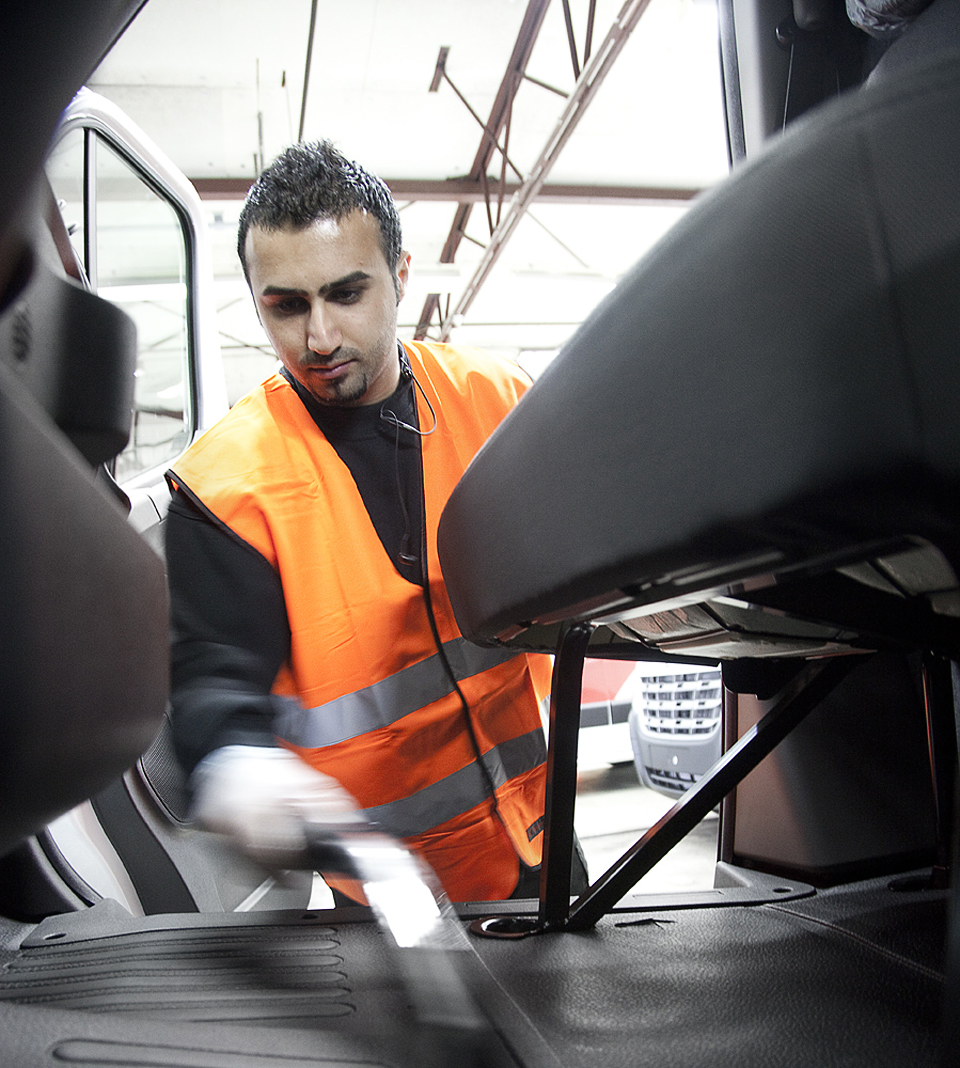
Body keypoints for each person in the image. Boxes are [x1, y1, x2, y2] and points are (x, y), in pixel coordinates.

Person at [164, 139, 568, 904]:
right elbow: (215, 678)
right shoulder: (225, 490)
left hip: (543, 840)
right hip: (389, 900)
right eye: (285, 305)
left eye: (346, 293)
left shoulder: (501, 403)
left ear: (401, 278)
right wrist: (233, 761)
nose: (318, 338)